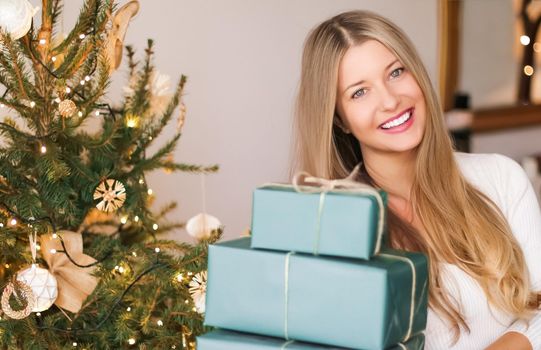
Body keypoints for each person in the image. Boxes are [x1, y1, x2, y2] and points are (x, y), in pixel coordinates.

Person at [291, 10, 541, 350]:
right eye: (359, 92)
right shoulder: (331, 228)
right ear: (340, 120)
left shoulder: (501, 178)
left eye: (396, 72)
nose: (391, 100)